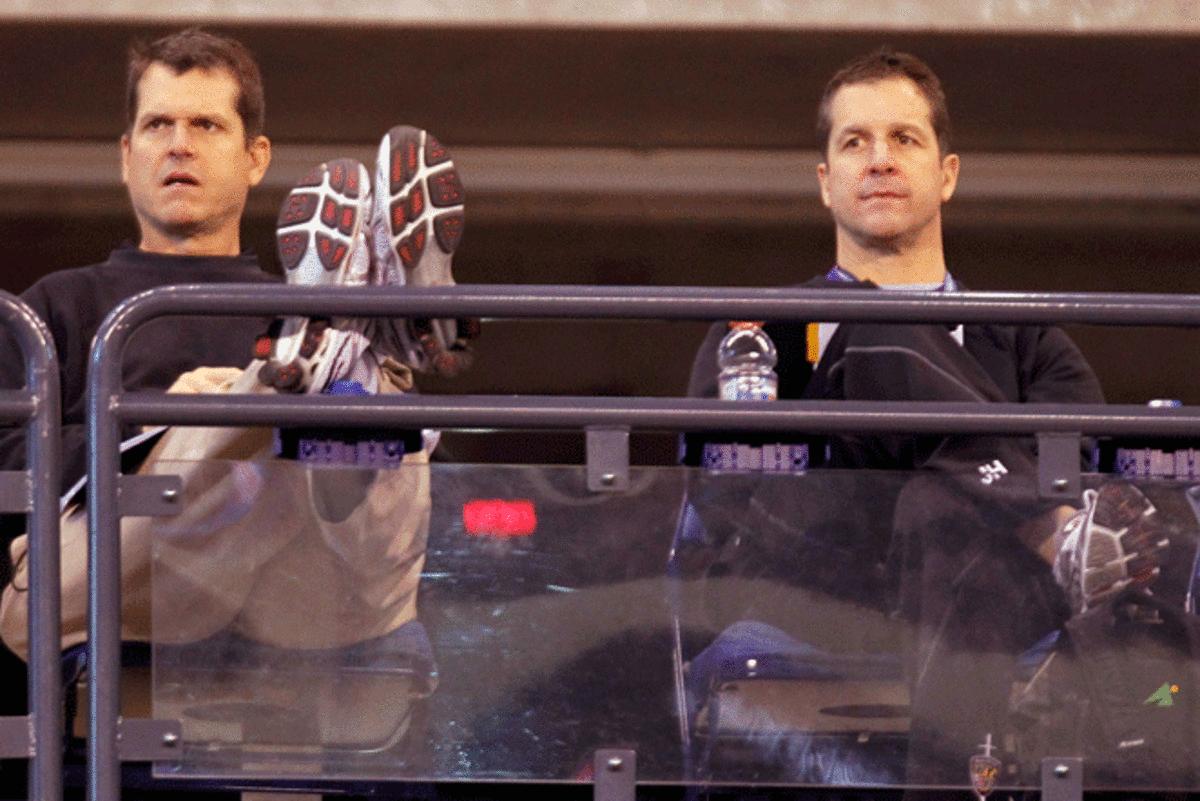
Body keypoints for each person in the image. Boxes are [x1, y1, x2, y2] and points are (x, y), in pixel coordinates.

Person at [681, 48, 1170, 788]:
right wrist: (1052, 522)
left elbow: (1091, 471)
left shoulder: (1031, 338)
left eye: (904, 139)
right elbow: (717, 504)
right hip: (815, 579)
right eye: (855, 142)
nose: (879, 160)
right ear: (825, 184)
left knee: (934, 504)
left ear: (946, 174)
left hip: (978, 599)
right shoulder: (757, 332)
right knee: (878, 323)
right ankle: (1048, 536)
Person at [0, 29, 470, 748]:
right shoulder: (50, 310)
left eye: (206, 125)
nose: (179, 144)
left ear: (256, 158)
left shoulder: (277, 302)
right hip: (125, 588)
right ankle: (325, 374)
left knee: (362, 443)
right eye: (158, 124)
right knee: (230, 409)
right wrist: (150, 441)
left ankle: (353, 381)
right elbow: (9, 465)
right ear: (127, 155)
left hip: (307, 607)